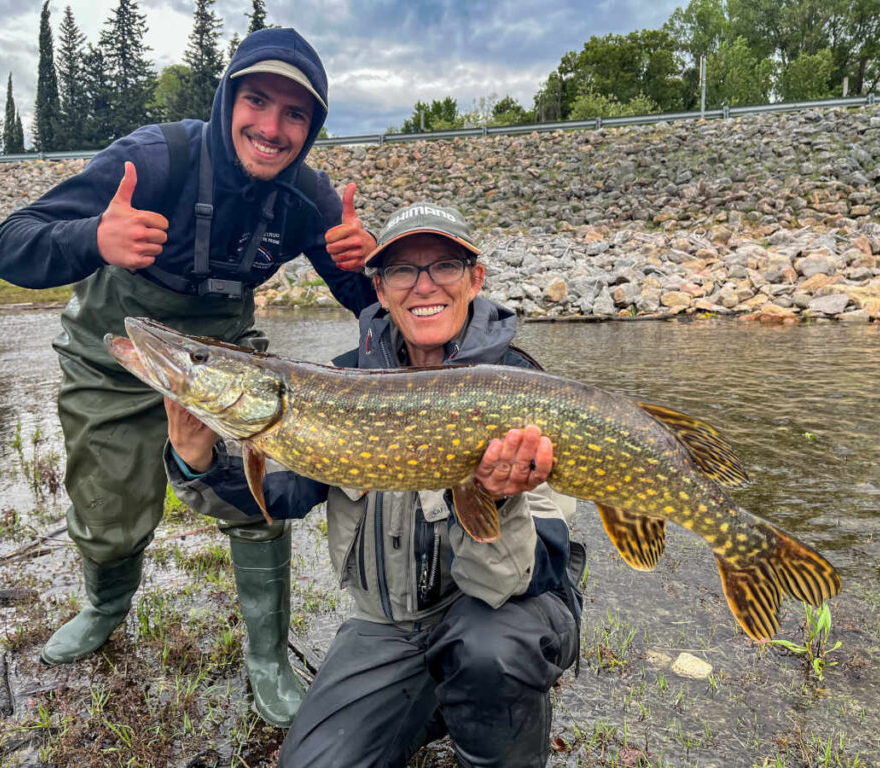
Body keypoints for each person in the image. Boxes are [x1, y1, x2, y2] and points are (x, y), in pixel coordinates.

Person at [0, 27, 376, 727]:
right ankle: (105, 604)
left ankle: (266, 658)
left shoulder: (307, 199)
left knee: (259, 494)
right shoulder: (154, 158)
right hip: (116, 351)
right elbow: (8, 245)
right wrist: (93, 240)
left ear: (312, 128)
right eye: (258, 100)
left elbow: (379, 313)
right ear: (229, 98)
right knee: (108, 517)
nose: (272, 127)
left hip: (226, 354)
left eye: (296, 115)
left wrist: (368, 266)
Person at [165, 201, 585, 767]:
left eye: (444, 266)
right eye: (402, 271)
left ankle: (489, 730)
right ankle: (432, 699)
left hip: (505, 610)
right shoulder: (339, 383)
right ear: (380, 290)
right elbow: (279, 495)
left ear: (475, 279)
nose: (423, 285)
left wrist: (497, 500)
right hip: (392, 626)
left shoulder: (524, 391)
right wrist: (200, 461)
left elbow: (549, 564)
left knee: (491, 652)